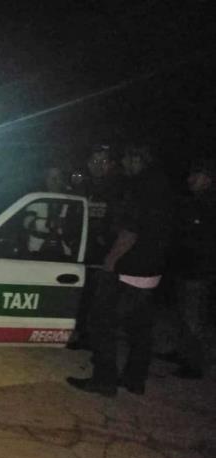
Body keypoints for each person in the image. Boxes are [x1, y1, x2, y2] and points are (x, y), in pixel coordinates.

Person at [67, 145, 172, 396]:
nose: (123, 164)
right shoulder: (165, 187)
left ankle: (104, 380)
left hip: (129, 267)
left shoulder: (136, 187)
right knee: (139, 327)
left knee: (101, 322)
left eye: (125, 159)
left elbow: (129, 230)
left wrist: (111, 261)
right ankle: (135, 380)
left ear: (136, 159)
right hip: (153, 268)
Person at [66, 145, 122, 350]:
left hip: (104, 255)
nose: (97, 166)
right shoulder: (84, 186)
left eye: (103, 161)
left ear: (112, 165)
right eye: (94, 161)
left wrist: (109, 248)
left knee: (99, 301)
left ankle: (94, 339)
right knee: (83, 297)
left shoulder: (118, 189)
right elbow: (73, 215)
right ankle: (81, 334)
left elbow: (122, 224)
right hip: (82, 252)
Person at [169, 160, 216, 379]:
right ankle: (182, 353)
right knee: (182, 315)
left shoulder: (208, 205)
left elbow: (201, 239)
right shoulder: (193, 202)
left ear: (207, 179)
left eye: (195, 176)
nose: (190, 180)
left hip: (198, 271)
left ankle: (194, 365)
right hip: (185, 267)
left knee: (193, 319)